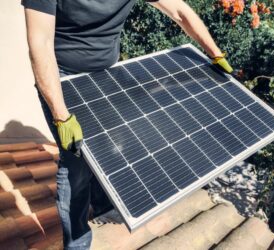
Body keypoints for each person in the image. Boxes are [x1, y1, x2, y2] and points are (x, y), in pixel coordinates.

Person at [22, 0, 234, 249]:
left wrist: (215, 52)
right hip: (63, 76)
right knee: (75, 164)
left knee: (105, 146)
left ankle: (103, 205)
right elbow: (40, 43)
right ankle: (77, 241)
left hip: (107, 73)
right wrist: (61, 116)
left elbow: (179, 11)